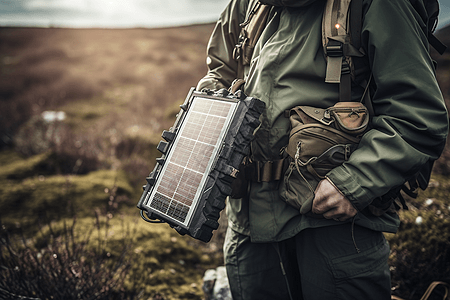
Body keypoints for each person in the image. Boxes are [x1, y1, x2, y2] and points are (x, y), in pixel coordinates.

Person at [196, 0, 449, 299]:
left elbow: (417, 116)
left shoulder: (379, 5)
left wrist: (355, 181)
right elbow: (222, 69)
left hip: (331, 223)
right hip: (247, 225)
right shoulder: (247, 5)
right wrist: (210, 101)